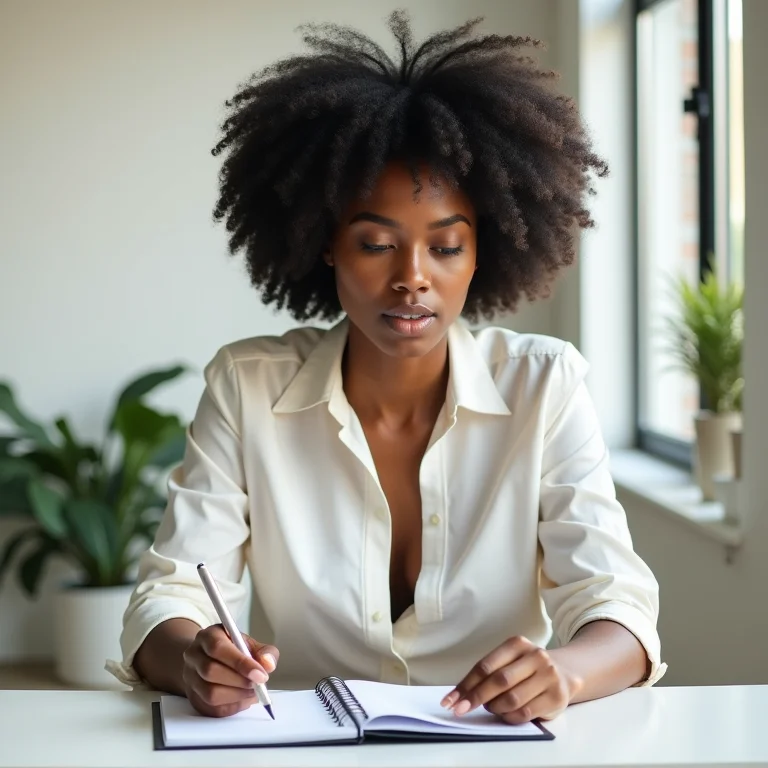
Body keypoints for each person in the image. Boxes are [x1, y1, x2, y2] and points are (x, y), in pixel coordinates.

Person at [107, 11, 666, 723]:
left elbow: (616, 603)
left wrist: (563, 674)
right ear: (326, 245)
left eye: (445, 246)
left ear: (483, 252)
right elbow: (169, 595)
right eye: (376, 244)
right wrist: (194, 660)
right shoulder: (248, 388)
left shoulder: (544, 386)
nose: (412, 279)